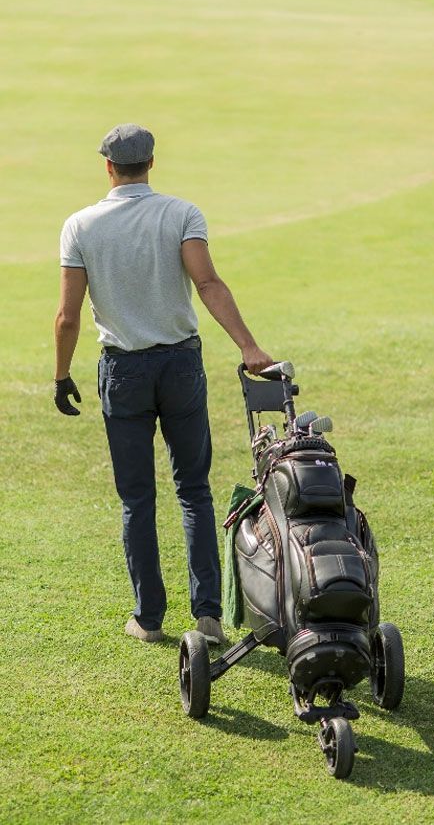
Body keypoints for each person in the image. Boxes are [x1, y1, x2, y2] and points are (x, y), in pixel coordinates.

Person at [54, 123, 273, 643]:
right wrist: (248, 346)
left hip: (123, 371)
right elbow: (208, 283)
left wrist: (62, 375)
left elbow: (67, 316)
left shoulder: (79, 225)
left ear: (108, 167)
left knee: (137, 499)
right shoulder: (181, 213)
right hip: (180, 365)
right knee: (194, 491)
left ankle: (148, 619)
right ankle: (208, 617)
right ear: (151, 163)